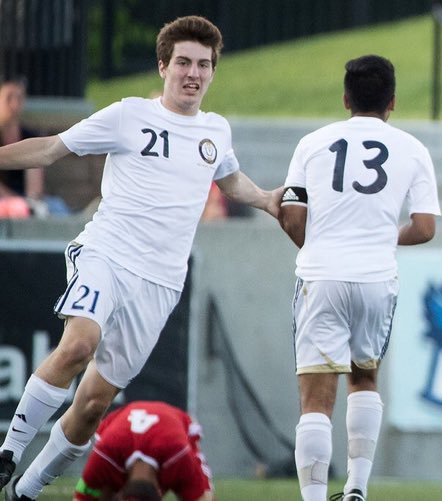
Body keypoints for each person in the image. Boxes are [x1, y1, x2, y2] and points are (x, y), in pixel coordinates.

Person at [0, 16, 283, 501]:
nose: (193, 73)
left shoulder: (215, 130)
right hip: (107, 253)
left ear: (213, 71)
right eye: (183, 63)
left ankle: (25, 490)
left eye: (203, 64)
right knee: (78, 344)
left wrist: (269, 200)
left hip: (161, 283)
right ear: (163, 66)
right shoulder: (129, 114)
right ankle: (8, 453)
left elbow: (229, 179)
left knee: (92, 405)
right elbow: (49, 150)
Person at [275, 55, 441, 501]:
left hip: (321, 276)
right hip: (375, 279)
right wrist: (383, 239)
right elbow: (425, 227)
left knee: (315, 400)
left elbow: (291, 214)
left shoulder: (312, 143)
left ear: (346, 98)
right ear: (393, 102)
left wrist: (318, 246)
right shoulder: (412, 148)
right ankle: (356, 489)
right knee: (364, 379)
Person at [71, 401, 213, 501]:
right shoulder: (105, 455)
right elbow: (81, 497)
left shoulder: (179, 457)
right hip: (119, 426)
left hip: (178, 424)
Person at [0, 77, 44, 219]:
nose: (14, 104)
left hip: (25, 203)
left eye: (19, 98)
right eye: (9, 98)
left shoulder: (30, 136)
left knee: (55, 208)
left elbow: (35, 188)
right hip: (5, 200)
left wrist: (28, 202)